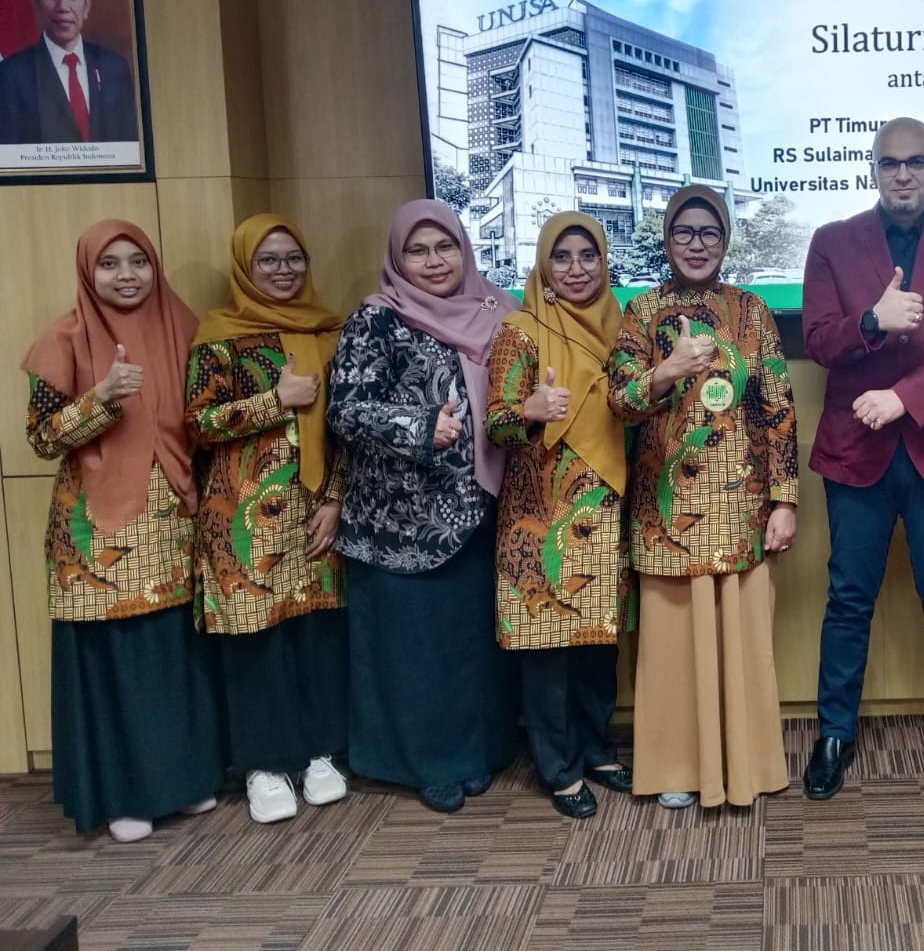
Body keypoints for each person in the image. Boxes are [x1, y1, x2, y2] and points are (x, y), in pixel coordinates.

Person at [800, 116, 924, 804]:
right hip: (856, 450)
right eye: (891, 163)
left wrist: (904, 398)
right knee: (847, 599)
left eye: (916, 161)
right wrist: (871, 322)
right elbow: (819, 339)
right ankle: (834, 733)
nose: (904, 174)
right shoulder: (832, 241)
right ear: (874, 170)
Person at [22, 220, 223, 842]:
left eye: (138, 261)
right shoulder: (64, 337)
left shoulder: (182, 325)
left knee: (172, 656)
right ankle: (124, 796)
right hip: (97, 531)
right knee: (116, 662)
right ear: (88, 271)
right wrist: (101, 397)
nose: (127, 275)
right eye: (109, 264)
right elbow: (41, 438)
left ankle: (181, 781)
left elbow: (204, 420)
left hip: (174, 521)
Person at [607, 185, 798, 809]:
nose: (696, 244)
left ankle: (743, 765)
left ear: (725, 240)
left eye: (709, 232)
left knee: (741, 645)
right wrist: (668, 370)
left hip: (741, 505)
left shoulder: (752, 311)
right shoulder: (641, 312)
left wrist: (784, 500)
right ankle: (676, 767)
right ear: (666, 240)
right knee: (672, 651)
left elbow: (778, 410)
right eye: (683, 232)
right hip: (665, 509)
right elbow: (620, 403)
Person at [326, 200, 519, 813]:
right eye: (418, 250)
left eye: (445, 247)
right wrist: (417, 425)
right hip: (401, 521)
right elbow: (344, 410)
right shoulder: (376, 320)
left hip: (482, 512)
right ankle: (426, 765)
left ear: (464, 249)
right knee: (414, 650)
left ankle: (476, 753)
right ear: (397, 257)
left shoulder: (500, 311)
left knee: (471, 645)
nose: (434, 262)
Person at [185, 214, 350, 825]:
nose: (284, 270)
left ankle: (319, 751)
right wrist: (274, 401)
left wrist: (337, 499)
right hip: (242, 517)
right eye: (269, 260)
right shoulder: (219, 336)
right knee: (255, 640)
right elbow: (198, 423)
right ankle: (263, 764)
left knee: (315, 635)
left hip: (315, 510)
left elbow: (345, 429)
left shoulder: (330, 331)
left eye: (293, 258)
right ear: (245, 267)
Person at [486, 212, 633, 820]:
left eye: (588, 256)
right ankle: (559, 767)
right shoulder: (520, 331)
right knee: (547, 645)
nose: (576, 269)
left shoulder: (621, 325)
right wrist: (529, 409)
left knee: (598, 644)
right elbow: (495, 423)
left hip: (605, 512)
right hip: (540, 516)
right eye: (562, 257)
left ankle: (596, 748)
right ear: (543, 266)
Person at [0, 0, 139, 144]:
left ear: (87, 5)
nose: (62, 6)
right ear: (35, 1)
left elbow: (131, 147)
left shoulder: (114, 68)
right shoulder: (11, 75)